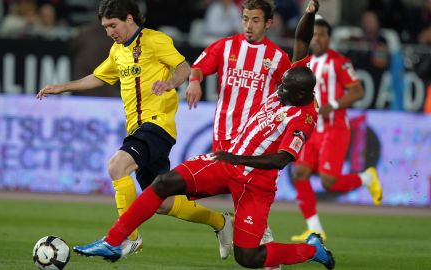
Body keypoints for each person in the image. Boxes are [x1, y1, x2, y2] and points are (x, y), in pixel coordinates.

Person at [73, 66, 335, 270]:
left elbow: (282, 159)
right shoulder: (293, 87)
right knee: (163, 183)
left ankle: (312, 250)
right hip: (226, 164)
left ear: (302, 94)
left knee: (249, 257)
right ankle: (113, 242)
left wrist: (239, 159)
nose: (278, 91)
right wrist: (309, 14)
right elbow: (301, 42)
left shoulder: (304, 118)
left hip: (255, 183)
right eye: (281, 85)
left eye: (284, 89)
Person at [36, 0, 232, 259]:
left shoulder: (155, 40)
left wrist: (170, 83)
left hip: (157, 125)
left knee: (117, 166)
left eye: (112, 25)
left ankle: (126, 239)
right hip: (138, 128)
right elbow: (98, 77)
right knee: (163, 202)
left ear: (130, 19)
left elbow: (184, 67)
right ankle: (221, 222)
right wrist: (62, 87)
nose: (109, 32)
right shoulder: (118, 51)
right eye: (105, 27)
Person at [185, 0, 319, 263]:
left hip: (256, 144)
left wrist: (309, 15)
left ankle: (265, 255)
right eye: (245, 18)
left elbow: (301, 45)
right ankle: (230, 230)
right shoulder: (226, 47)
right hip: (225, 138)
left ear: (268, 23)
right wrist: (193, 80)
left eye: (255, 20)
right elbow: (199, 67)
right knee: (242, 203)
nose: (248, 25)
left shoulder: (279, 59)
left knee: (249, 204)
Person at [290, 18, 383, 242]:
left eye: (322, 34)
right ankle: (315, 229)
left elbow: (357, 91)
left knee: (328, 182)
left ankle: (367, 178)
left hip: (335, 128)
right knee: (299, 173)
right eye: (315, 35)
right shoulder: (307, 63)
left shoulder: (339, 62)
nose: (318, 38)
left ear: (329, 38)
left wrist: (333, 104)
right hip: (312, 129)